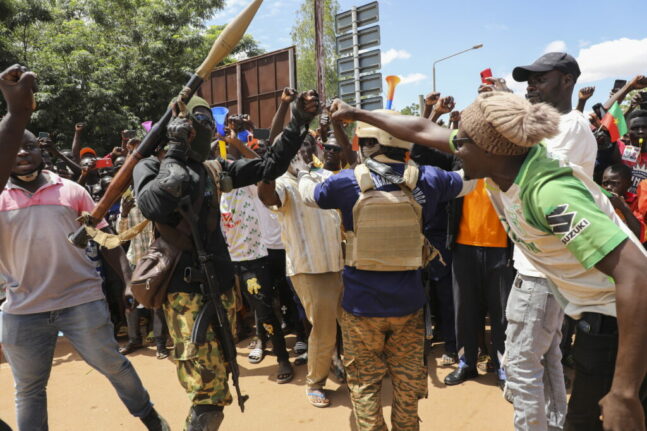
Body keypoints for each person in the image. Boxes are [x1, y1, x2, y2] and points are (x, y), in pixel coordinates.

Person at [329, 91, 647, 431]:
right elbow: (421, 129)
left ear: (492, 148)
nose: (453, 146)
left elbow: (637, 276)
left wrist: (625, 392)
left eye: (462, 142)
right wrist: (357, 113)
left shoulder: (549, 193)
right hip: (596, 318)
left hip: (623, 323)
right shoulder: (502, 160)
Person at [134, 91, 319, 429]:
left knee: (218, 383)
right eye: (200, 122)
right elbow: (154, 205)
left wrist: (298, 123)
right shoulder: (152, 165)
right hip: (184, 290)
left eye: (209, 122)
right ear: (180, 127)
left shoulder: (213, 170)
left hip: (220, 287)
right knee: (209, 396)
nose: (208, 129)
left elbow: (268, 166)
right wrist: (174, 152)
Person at [297, 109, 472, 430]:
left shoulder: (347, 182)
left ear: (370, 143)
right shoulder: (429, 178)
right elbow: (468, 182)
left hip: (359, 309)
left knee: (364, 385)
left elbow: (309, 195)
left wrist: (306, 173)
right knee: (407, 389)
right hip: (409, 306)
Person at [0, 131, 169, 430]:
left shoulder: (71, 191)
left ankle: (149, 416)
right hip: (22, 310)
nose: (22, 154)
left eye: (28, 147)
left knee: (114, 365)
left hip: (80, 301)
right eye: (15, 148)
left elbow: (106, 240)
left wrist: (128, 281)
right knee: (28, 390)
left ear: (41, 152)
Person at [494, 52, 597, 429]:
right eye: (528, 80)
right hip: (544, 266)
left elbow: (529, 180)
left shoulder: (570, 128)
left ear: (567, 80)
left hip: (541, 270)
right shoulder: (558, 127)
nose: (531, 86)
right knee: (547, 356)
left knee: (520, 365)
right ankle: (554, 424)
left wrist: (508, 110)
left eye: (541, 79)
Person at [257, 142, 344, 409]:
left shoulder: (324, 176)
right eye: (296, 146)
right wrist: (272, 166)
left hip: (338, 264)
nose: (301, 150)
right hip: (309, 267)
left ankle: (340, 365)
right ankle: (315, 382)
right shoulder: (281, 183)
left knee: (351, 324)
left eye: (306, 144)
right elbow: (267, 198)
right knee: (324, 326)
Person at [117, 194, 170, 359]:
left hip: (156, 259)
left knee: (157, 302)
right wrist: (124, 213)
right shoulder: (127, 197)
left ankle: (160, 344)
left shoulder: (154, 191)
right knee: (131, 301)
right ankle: (134, 340)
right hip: (135, 259)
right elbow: (121, 233)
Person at [601, 164, 646, 242]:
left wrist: (622, 207)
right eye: (605, 183)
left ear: (629, 184)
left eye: (614, 184)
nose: (608, 187)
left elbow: (640, 236)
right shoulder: (598, 199)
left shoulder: (636, 202)